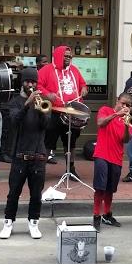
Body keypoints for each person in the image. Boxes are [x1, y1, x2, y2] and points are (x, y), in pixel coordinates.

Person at [0, 67, 49, 239]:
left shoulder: (42, 101)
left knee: (36, 194)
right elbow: (14, 122)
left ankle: (34, 223)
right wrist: (27, 105)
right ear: (22, 83)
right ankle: (8, 223)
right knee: (14, 193)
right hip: (20, 156)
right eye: (28, 81)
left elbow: (46, 126)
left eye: (33, 82)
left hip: (38, 156)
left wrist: (42, 111)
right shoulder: (15, 102)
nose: (31, 84)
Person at [38, 45, 88, 175]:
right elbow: (38, 85)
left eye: (70, 56)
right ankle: (41, 169)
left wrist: (84, 88)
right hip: (55, 112)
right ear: (58, 55)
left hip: (72, 112)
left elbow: (83, 84)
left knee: (70, 143)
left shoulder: (74, 70)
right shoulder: (46, 70)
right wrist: (47, 94)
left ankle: (70, 169)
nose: (68, 58)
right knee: (48, 142)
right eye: (66, 56)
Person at [91, 92, 132, 232]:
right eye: (123, 103)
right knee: (100, 187)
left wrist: (127, 125)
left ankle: (107, 215)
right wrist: (117, 114)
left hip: (116, 157)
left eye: (128, 105)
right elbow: (100, 123)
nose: (125, 106)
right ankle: (96, 216)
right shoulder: (105, 110)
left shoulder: (129, 119)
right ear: (117, 101)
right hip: (102, 154)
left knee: (110, 189)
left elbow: (126, 140)